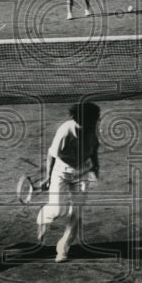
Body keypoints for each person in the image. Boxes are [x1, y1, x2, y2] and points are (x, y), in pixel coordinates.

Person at [36, 101, 101, 263]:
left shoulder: (92, 128)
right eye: (95, 118)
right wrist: (48, 177)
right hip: (61, 173)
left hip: (82, 174)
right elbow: (52, 154)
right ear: (84, 120)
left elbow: (93, 148)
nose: (98, 120)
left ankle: (63, 250)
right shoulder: (65, 131)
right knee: (57, 210)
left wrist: (95, 167)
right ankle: (43, 217)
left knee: (75, 213)